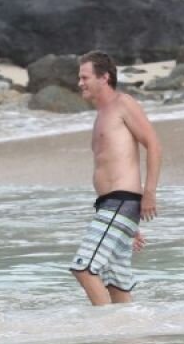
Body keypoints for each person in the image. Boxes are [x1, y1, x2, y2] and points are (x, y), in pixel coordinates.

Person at [69, 50, 162, 304]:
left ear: (104, 77)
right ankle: (128, 329)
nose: (80, 83)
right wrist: (128, 226)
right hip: (112, 208)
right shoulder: (101, 115)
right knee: (116, 285)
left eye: (85, 77)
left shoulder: (123, 104)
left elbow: (153, 144)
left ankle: (103, 324)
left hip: (121, 202)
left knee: (84, 268)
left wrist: (149, 193)